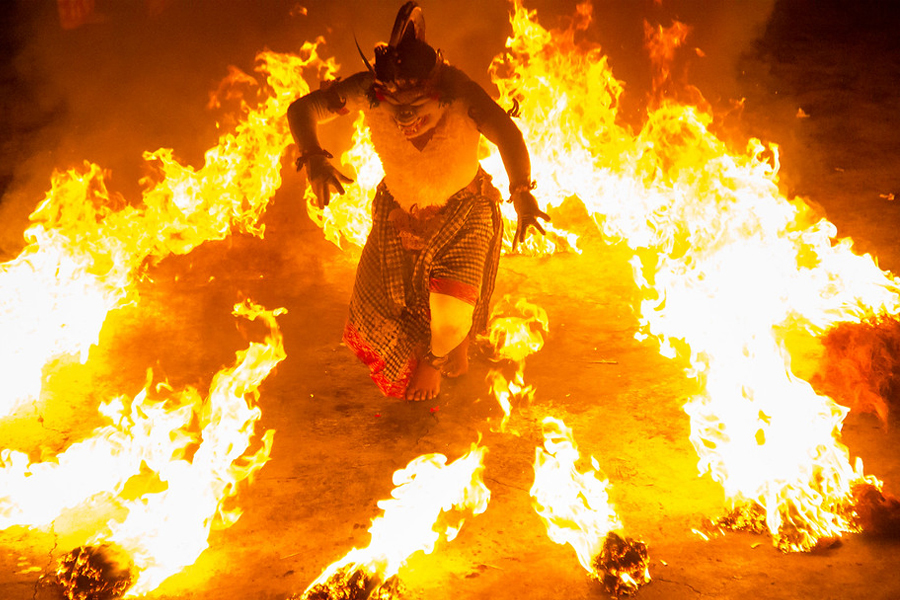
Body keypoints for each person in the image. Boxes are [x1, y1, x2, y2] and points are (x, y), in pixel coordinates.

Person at [287, 2, 548, 401]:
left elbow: (507, 134)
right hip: (399, 211)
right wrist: (314, 158)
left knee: (449, 314)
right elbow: (304, 109)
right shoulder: (369, 91)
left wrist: (522, 194)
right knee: (393, 303)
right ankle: (449, 346)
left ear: (438, 95)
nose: (405, 119)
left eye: (416, 109)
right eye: (396, 108)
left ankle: (438, 358)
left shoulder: (460, 92)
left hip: (464, 213)